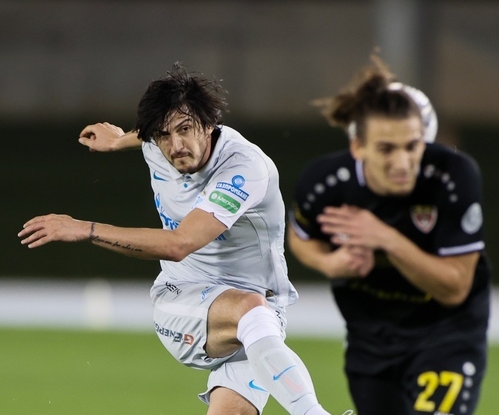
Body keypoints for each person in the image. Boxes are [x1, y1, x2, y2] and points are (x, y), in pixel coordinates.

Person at [18, 64, 346, 415]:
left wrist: (85, 228)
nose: (175, 146)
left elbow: (179, 244)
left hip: (262, 321)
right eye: (163, 135)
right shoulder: (158, 143)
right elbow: (151, 134)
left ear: (209, 123)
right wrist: (119, 140)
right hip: (182, 298)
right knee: (249, 308)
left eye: (185, 129)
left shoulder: (244, 168)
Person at [287, 55, 491, 415]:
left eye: (412, 146)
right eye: (386, 149)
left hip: (445, 334)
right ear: (358, 147)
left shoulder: (453, 177)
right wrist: (330, 263)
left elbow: (455, 287)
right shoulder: (325, 182)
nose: (402, 163)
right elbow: (301, 236)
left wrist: (385, 238)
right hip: (370, 339)